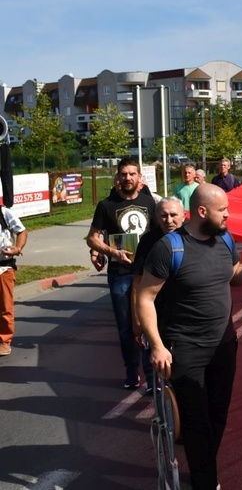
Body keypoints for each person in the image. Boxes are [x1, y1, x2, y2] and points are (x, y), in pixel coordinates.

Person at [136, 184, 242, 489]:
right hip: (186, 349)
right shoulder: (169, 248)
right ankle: (205, 481)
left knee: (218, 415)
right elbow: (145, 298)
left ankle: (204, 467)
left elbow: (234, 275)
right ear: (202, 212)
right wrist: (157, 346)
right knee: (197, 423)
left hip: (225, 345)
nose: (228, 214)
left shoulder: (224, 238)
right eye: (222, 210)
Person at [87, 156, 157, 390]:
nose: (127, 178)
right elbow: (92, 238)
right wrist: (110, 252)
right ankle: (131, 372)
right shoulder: (106, 205)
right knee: (125, 325)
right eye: (123, 174)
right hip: (120, 273)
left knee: (148, 324)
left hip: (147, 273)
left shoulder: (149, 203)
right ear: (118, 177)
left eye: (132, 174)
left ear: (139, 177)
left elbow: (159, 236)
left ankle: (151, 375)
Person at [131, 196, 184, 363]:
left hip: (184, 312)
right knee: (156, 357)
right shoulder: (148, 241)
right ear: (156, 217)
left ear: (183, 216)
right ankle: (154, 388)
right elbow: (137, 282)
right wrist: (137, 320)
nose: (169, 220)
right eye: (163, 215)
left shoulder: (193, 237)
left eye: (173, 215)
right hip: (157, 312)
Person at [0, 205, 27, 356]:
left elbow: (22, 231)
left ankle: (4, 341)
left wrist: (17, 248)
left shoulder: (3, 212)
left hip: (3, 267)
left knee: (5, 307)